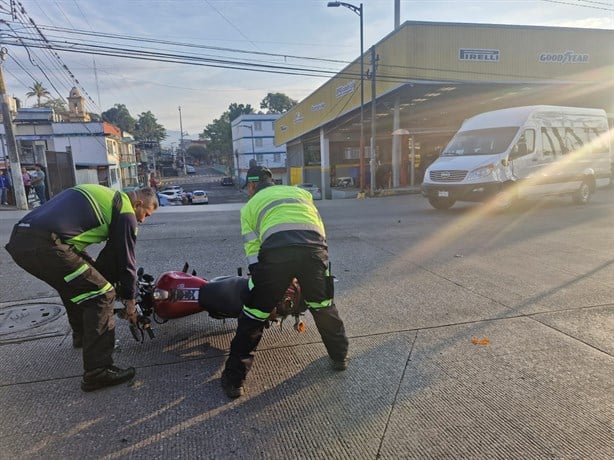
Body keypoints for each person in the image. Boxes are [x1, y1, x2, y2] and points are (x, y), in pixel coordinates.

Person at [5, 185, 159, 392]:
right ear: (138, 203)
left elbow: (107, 256)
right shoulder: (126, 212)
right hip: (46, 245)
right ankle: (97, 371)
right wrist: (130, 302)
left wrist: (98, 273)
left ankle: (83, 336)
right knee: (103, 294)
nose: (142, 220)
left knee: (80, 284)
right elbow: (126, 261)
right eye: (145, 214)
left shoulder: (106, 194)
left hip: (22, 239)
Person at [221, 166, 349, 399]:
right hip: (314, 250)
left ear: (251, 186)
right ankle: (339, 357)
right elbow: (316, 225)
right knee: (323, 306)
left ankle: (234, 381)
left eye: (248, 188)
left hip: (277, 254)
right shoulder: (300, 193)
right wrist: (318, 259)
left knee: (253, 315)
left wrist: (260, 280)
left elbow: (252, 247)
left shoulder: (250, 206)